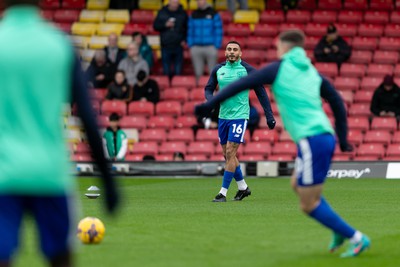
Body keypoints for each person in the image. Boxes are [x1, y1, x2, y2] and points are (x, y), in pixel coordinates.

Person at [195, 30, 370, 258]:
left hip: (312, 140)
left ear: (283, 47)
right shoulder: (311, 72)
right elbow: (336, 100)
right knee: (298, 185)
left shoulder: (278, 68)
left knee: (307, 203)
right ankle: (337, 229)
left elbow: (243, 85)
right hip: (322, 136)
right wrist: (343, 138)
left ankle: (357, 238)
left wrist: (207, 105)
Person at [0, 1, 119, 266]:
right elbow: (87, 117)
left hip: (3, 173)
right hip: (49, 172)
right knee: (60, 257)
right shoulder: (60, 45)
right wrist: (108, 181)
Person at [204, 41, 276, 202]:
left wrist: (269, 115)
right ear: (225, 52)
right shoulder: (218, 69)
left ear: (240, 53)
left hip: (239, 116)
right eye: (229, 49)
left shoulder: (248, 70)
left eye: (235, 50)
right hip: (223, 116)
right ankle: (243, 188)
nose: (231, 52)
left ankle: (222, 193)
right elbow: (208, 88)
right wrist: (210, 100)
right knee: (227, 154)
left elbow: (261, 92)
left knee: (230, 152)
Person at [187, 0, 223, 84]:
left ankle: (213, 94)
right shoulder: (193, 14)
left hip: (210, 47)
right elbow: (190, 31)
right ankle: (198, 93)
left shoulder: (214, 13)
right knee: (198, 73)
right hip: (196, 47)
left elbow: (218, 30)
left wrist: (216, 46)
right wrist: (191, 45)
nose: (199, 2)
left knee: (213, 73)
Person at [153, 0, 188, 78]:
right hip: (165, 45)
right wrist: (165, 25)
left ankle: (177, 88)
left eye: (176, 2)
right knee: (166, 71)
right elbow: (155, 26)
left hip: (178, 45)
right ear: (169, 2)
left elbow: (187, 28)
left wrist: (184, 40)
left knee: (178, 72)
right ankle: (167, 87)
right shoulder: (162, 12)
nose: (175, 4)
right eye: (173, 2)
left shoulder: (183, 13)